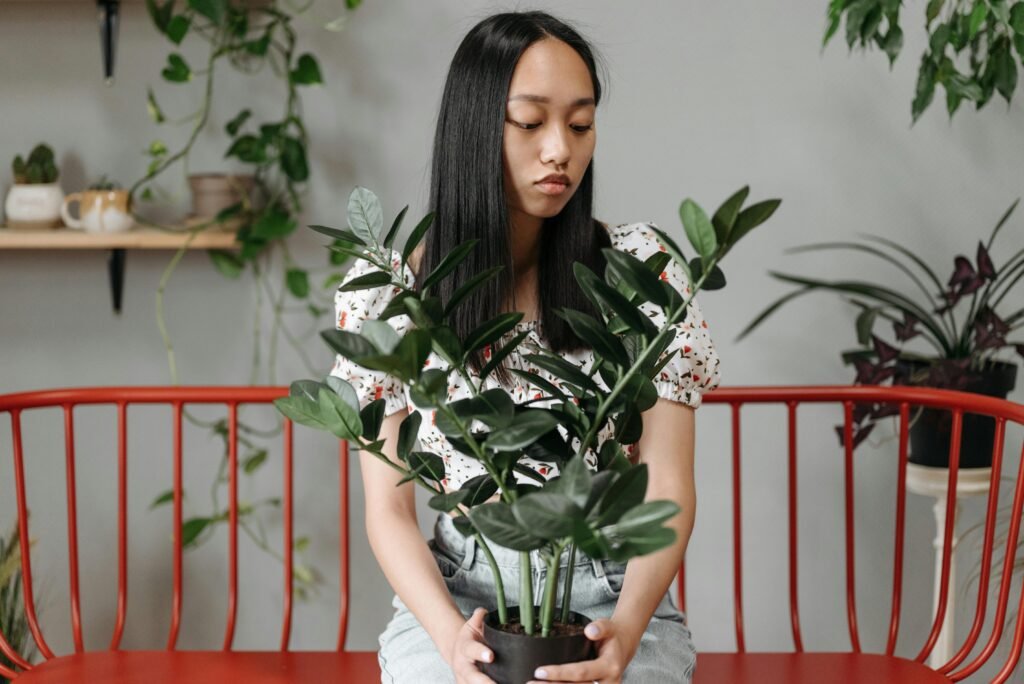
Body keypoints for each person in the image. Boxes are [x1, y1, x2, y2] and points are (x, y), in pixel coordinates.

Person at [329, 10, 721, 684]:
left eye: (579, 123)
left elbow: (668, 485)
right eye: (530, 121)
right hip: (461, 598)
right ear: (477, 125)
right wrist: (453, 641)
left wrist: (625, 633)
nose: (559, 151)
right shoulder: (392, 292)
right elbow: (388, 510)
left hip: (610, 595)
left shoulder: (639, 272)